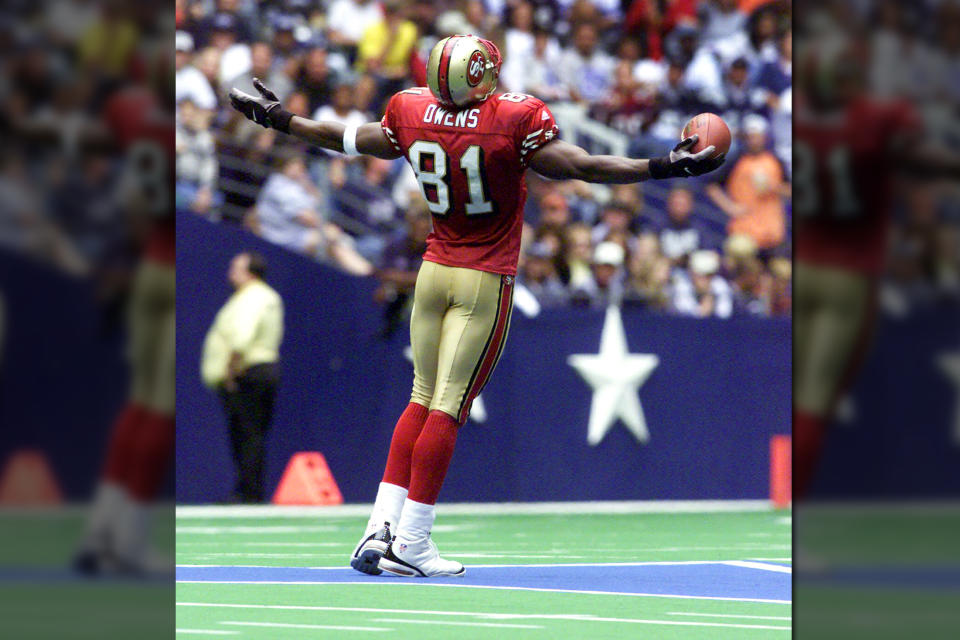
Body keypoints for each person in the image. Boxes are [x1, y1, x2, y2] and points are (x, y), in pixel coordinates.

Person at [229, 33, 723, 578]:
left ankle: (379, 528)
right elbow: (583, 165)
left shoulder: (411, 108)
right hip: (483, 276)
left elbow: (350, 137)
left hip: (434, 271)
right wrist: (659, 166)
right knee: (448, 406)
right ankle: (412, 540)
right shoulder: (512, 118)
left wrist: (282, 121)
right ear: (481, 75)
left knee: (420, 398)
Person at [201, 252, 284, 503]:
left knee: (247, 433)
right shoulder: (255, 296)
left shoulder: (254, 297)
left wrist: (231, 368)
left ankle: (248, 493)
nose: (231, 272)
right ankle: (248, 490)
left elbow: (242, 335)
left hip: (248, 372)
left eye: (236, 268)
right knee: (247, 433)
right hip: (253, 370)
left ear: (250, 272)